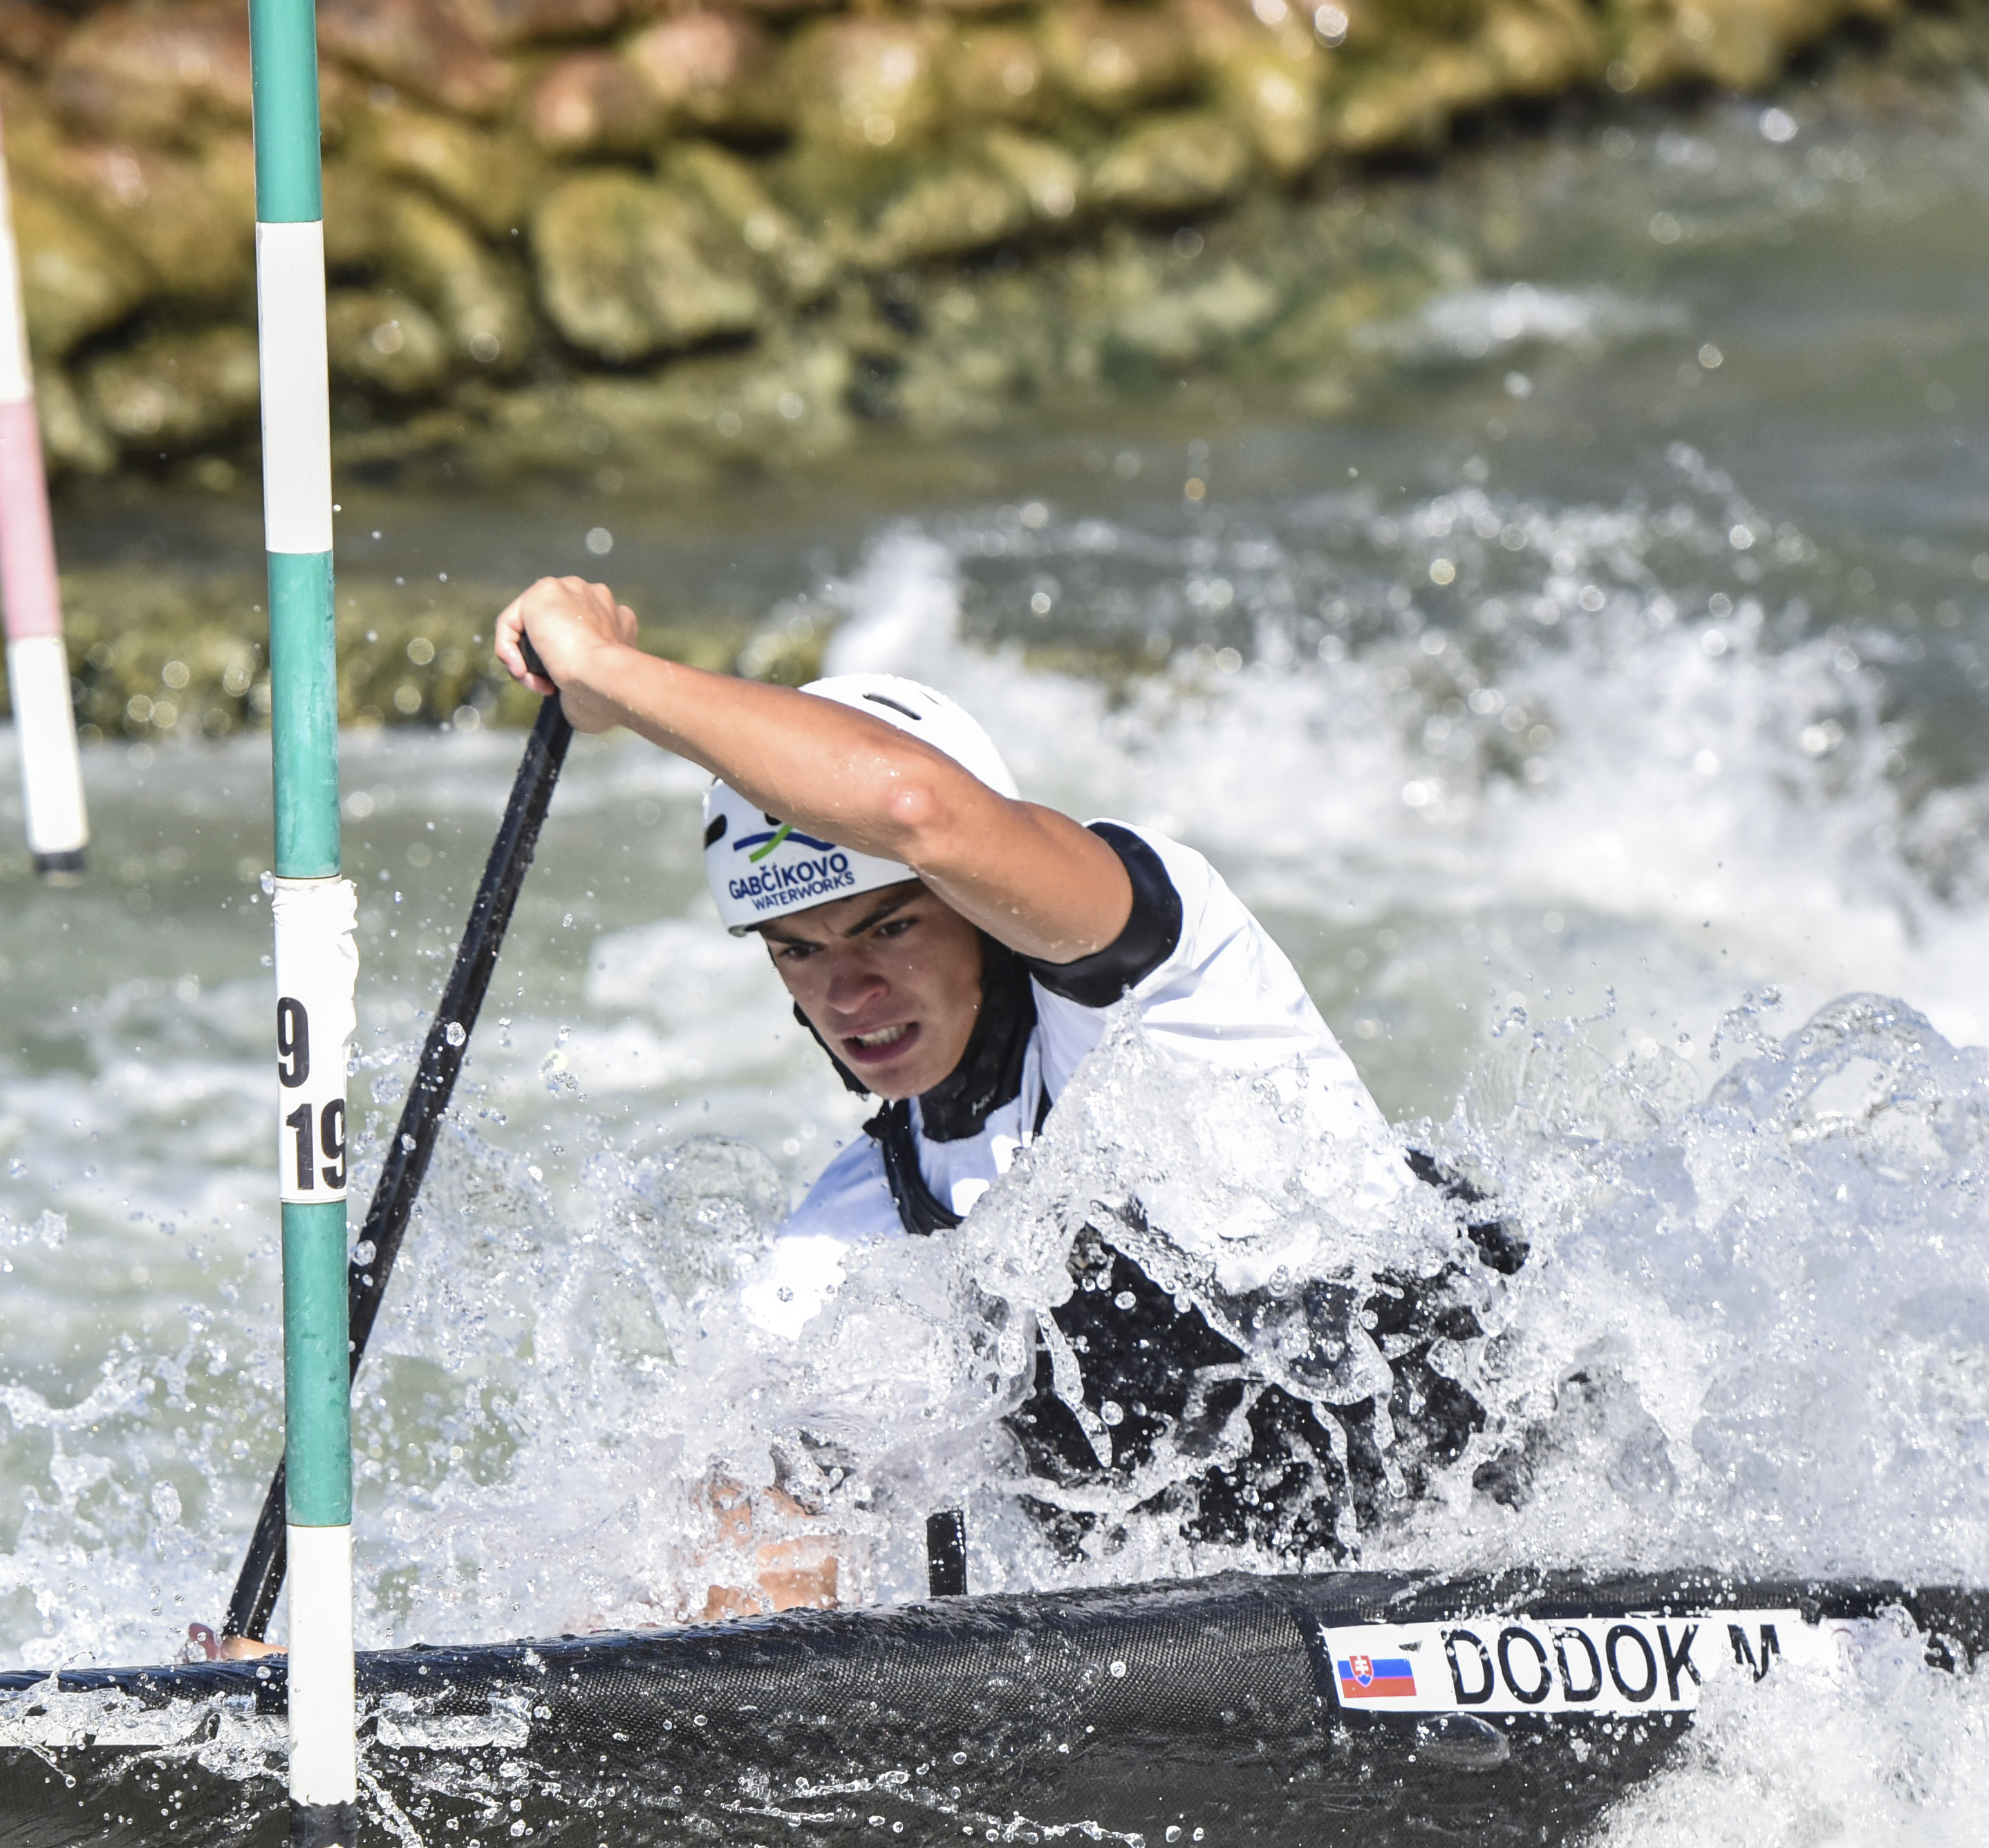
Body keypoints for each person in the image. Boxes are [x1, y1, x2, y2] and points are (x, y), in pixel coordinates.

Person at [493, 576, 1523, 1607]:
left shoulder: (1157, 985)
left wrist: (609, 679)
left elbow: (914, 809)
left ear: (979, 905)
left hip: (1507, 1564)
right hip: (1231, 1662)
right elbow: (699, 1554)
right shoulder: (853, 1229)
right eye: (798, 952)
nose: (848, 992)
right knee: (750, 1487)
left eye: (888, 928)